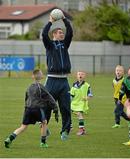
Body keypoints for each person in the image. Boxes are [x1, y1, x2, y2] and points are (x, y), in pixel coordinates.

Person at [4, 69, 59, 148]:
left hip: (28, 109)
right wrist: (55, 109)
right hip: (37, 109)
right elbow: (50, 98)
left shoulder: (29, 87)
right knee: (44, 123)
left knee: (23, 127)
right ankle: (43, 142)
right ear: (41, 77)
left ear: (33, 77)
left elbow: (26, 98)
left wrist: (26, 107)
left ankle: (9, 138)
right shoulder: (41, 87)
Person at [42, 11, 73, 140]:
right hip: (52, 81)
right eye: (60, 32)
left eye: (62, 33)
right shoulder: (49, 45)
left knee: (66, 107)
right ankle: (45, 127)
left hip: (64, 81)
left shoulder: (65, 45)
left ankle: (65, 131)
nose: (62, 34)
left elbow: (70, 32)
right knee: (47, 106)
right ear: (54, 34)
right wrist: (50, 21)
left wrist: (65, 20)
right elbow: (44, 34)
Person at [70, 71, 93, 135]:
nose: (80, 75)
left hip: (82, 103)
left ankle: (81, 130)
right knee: (68, 113)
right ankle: (70, 126)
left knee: (79, 114)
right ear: (77, 76)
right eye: (79, 74)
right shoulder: (74, 85)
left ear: (84, 76)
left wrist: (87, 98)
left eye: (82, 74)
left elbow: (90, 94)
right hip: (74, 103)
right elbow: (71, 94)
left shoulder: (87, 85)